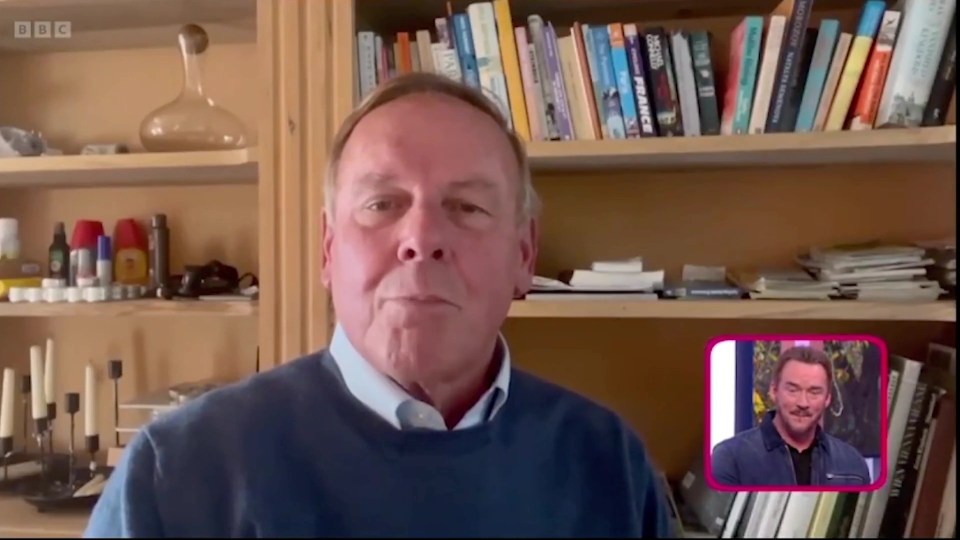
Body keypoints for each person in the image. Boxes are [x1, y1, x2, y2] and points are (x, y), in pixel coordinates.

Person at [84, 72, 670, 537]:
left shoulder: (609, 464)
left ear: (524, 254)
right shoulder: (176, 472)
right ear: (328, 249)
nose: (421, 238)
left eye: (467, 207)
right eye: (382, 203)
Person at [710, 345, 871, 487]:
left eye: (814, 392)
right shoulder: (730, 459)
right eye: (793, 390)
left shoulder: (852, 464)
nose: (803, 402)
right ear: (774, 391)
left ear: (827, 398)